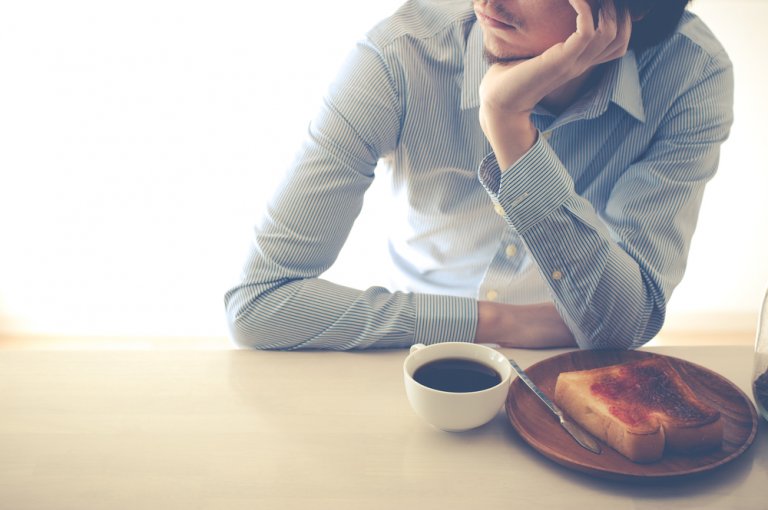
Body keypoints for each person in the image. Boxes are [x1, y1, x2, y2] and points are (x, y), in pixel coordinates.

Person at [224, 0, 733, 350]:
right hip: (414, 353)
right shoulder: (403, 52)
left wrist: (509, 128)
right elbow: (260, 300)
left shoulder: (690, 74)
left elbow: (626, 321)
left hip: (579, 372)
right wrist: (499, 323)